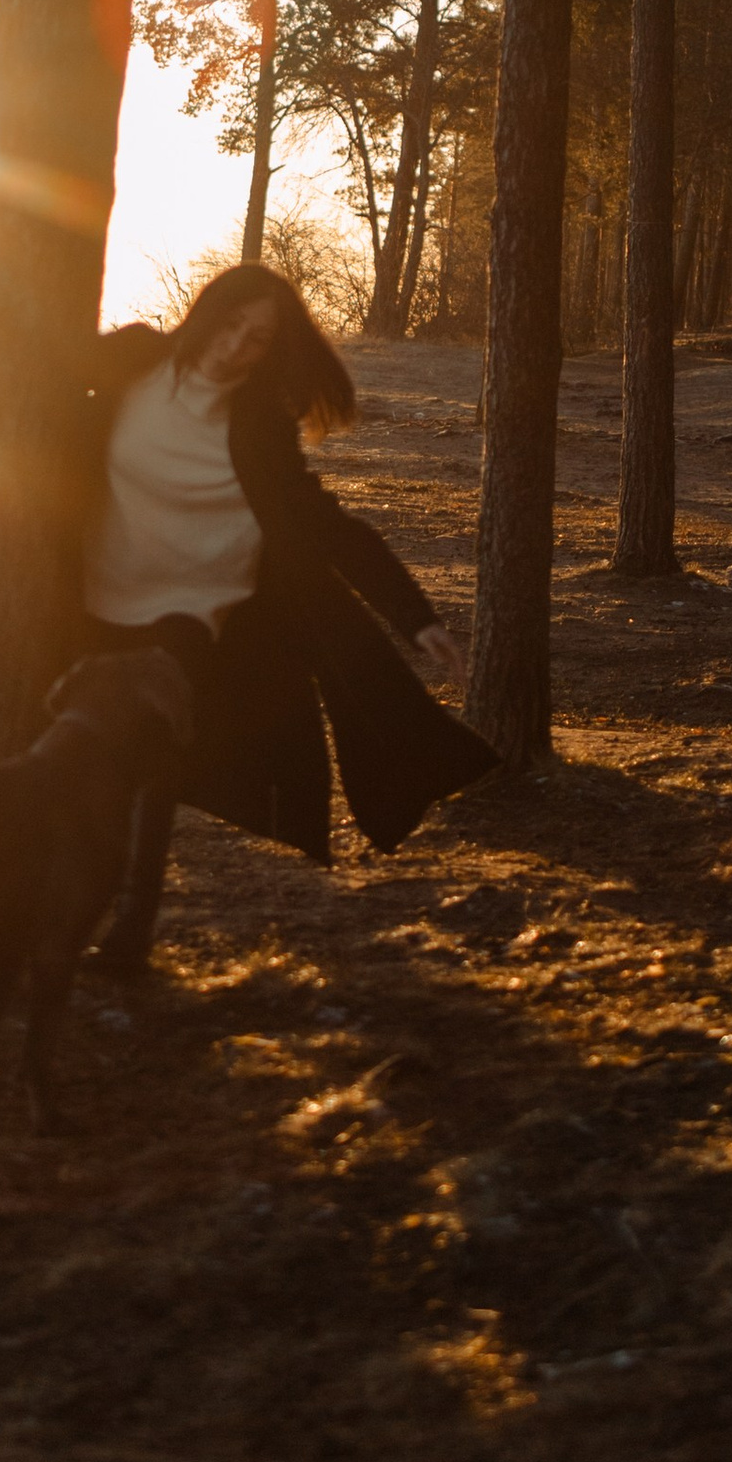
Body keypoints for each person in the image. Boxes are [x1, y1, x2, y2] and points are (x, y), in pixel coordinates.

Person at [79, 260, 497, 967]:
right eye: (232, 323)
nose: (236, 344)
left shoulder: (259, 424)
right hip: (94, 591)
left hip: (197, 608)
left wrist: (414, 615)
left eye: (259, 338)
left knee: (150, 756)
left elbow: (328, 524)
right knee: (78, 754)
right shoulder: (134, 358)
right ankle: (58, 906)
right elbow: (29, 365)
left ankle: (128, 932)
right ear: (206, 312)